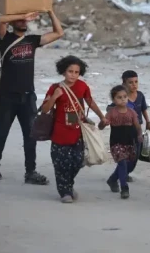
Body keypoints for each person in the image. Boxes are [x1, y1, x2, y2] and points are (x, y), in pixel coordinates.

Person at [0, 10, 63, 184]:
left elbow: (59, 33)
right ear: (13, 22)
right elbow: (0, 19)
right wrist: (22, 16)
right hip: (6, 96)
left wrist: (51, 12)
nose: (23, 22)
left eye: (25, 21)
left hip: (28, 97)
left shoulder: (32, 40)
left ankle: (31, 172)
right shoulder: (5, 38)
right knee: (1, 133)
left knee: (30, 135)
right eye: (19, 20)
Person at [40, 55, 108, 203]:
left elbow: (91, 102)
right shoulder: (55, 88)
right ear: (63, 72)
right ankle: (65, 192)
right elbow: (45, 109)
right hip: (60, 133)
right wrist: (54, 97)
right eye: (70, 71)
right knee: (60, 165)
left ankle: (68, 186)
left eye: (76, 72)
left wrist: (102, 117)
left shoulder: (82, 87)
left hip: (78, 132)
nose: (73, 75)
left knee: (77, 162)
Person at [106, 70, 150, 189]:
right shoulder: (121, 99)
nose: (134, 85)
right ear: (124, 83)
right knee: (123, 159)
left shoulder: (140, 95)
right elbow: (111, 111)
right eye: (130, 82)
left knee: (133, 159)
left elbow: (143, 109)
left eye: (136, 82)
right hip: (121, 133)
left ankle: (123, 173)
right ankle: (116, 180)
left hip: (136, 132)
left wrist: (148, 121)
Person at [104, 85, 143, 199]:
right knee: (122, 163)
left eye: (125, 97)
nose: (123, 99)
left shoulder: (131, 112)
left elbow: (137, 126)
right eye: (119, 97)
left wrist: (140, 135)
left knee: (127, 165)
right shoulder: (111, 112)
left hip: (130, 142)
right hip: (116, 143)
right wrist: (104, 123)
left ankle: (112, 179)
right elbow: (101, 126)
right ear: (113, 100)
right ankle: (124, 189)